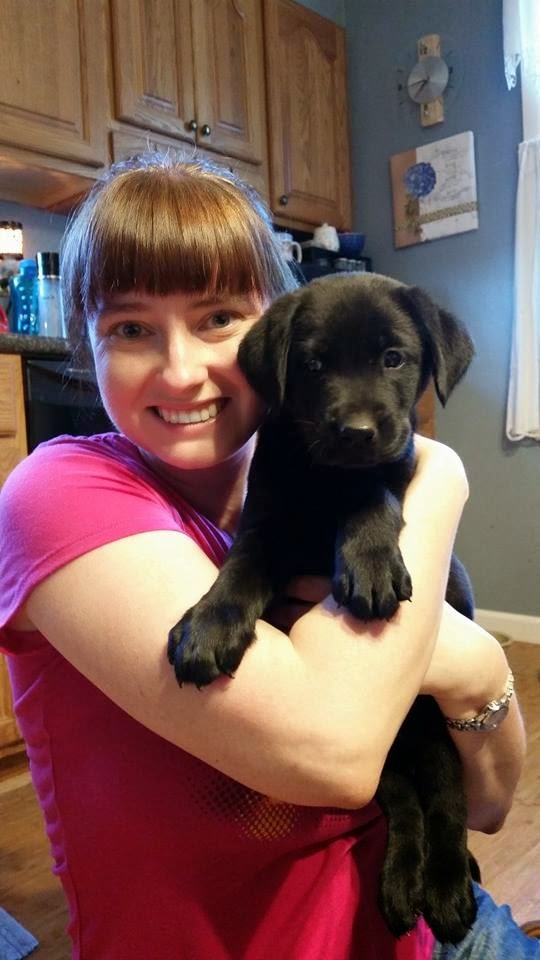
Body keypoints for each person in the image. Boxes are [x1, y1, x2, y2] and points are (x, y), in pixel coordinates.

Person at [0, 151, 536, 960]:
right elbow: (338, 755)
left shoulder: (305, 472)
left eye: (218, 317)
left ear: (269, 330)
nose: (181, 372)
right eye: (130, 328)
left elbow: (491, 803)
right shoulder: (59, 493)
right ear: (87, 344)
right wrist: (441, 480)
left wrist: (479, 667)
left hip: (429, 921)